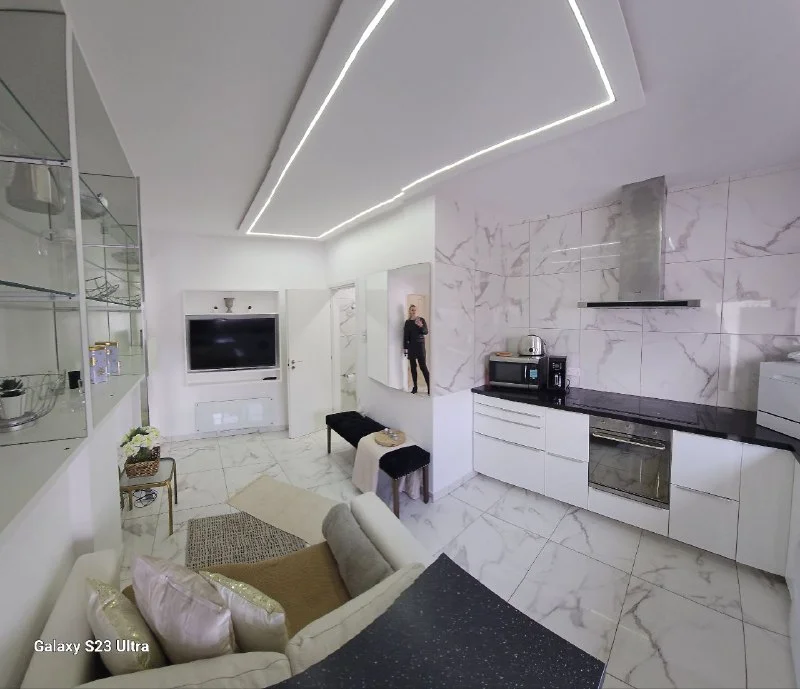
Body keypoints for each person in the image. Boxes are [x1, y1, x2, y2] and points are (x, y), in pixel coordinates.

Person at [403, 304, 430, 394]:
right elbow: (406, 336)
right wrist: (405, 348)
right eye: (412, 310)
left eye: (415, 310)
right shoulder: (407, 322)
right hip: (411, 347)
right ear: (409, 311)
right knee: (413, 368)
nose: (413, 311)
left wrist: (421, 326)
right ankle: (415, 387)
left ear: (416, 311)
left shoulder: (421, 320)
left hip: (420, 346)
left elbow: (426, 332)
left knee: (423, 367)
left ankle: (430, 387)